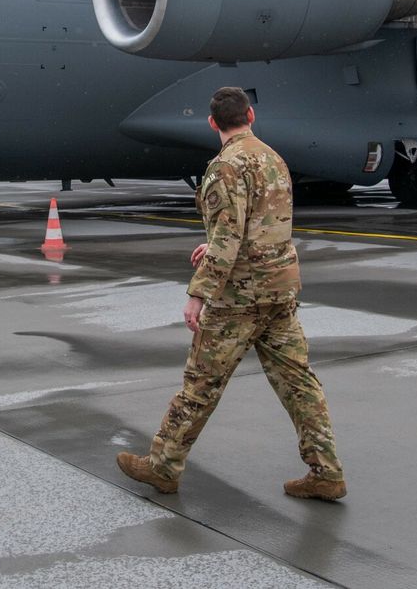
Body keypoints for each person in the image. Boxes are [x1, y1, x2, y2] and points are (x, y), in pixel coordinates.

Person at [116, 86, 346, 501]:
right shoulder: (273, 158)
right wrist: (220, 244)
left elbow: (228, 233)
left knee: (200, 384)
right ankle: (326, 471)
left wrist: (198, 294)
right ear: (251, 115)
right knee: (299, 384)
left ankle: (163, 466)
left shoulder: (226, 166)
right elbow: (263, 224)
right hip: (279, 292)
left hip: (239, 298)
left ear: (212, 123)